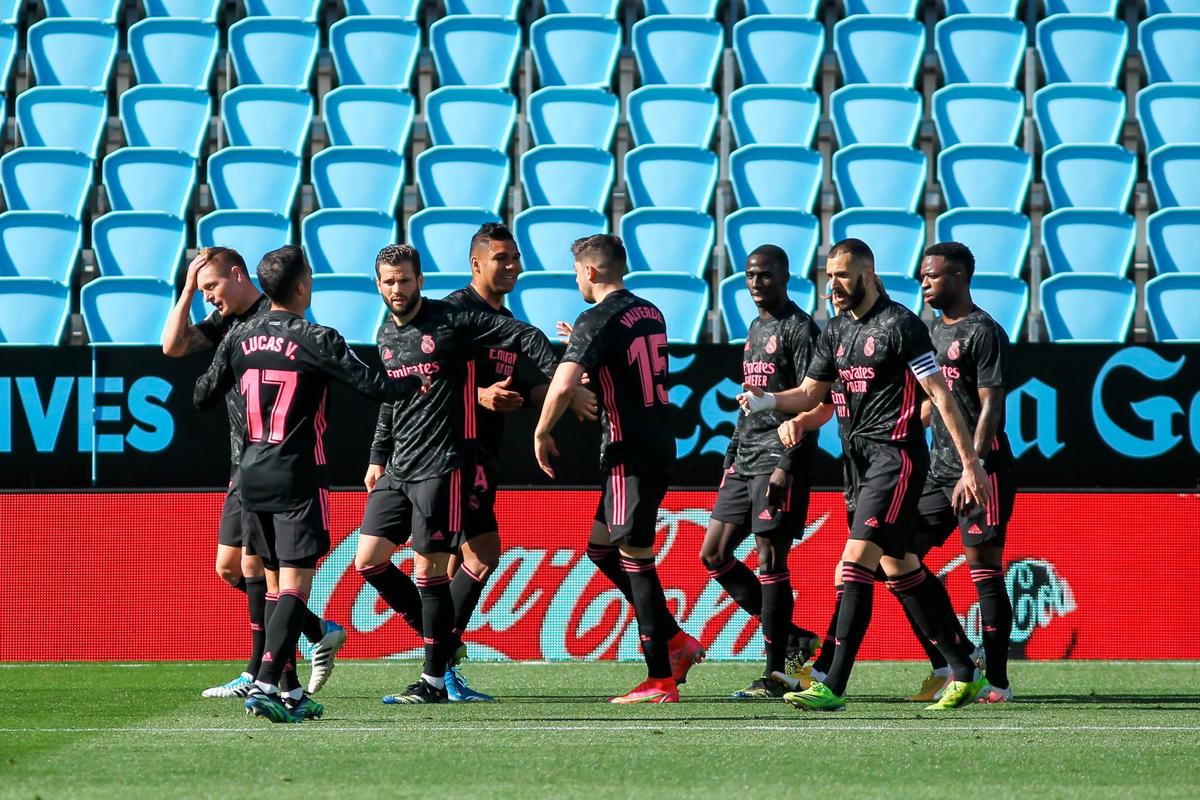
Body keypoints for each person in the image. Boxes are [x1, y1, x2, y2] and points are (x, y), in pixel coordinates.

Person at [738, 238, 993, 712]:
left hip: (894, 459)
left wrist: (971, 463)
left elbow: (938, 394)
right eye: (828, 275)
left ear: (868, 275)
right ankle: (964, 668)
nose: (832, 285)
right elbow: (813, 392)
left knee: (852, 565)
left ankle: (831, 683)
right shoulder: (834, 331)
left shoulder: (900, 325)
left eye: (841, 275)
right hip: (856, 468)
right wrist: (770, 403)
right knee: (899, 567)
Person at [194, 245, 427, 723]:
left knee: (274, 584)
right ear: (303, 287)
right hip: (297, 474)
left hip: (249, 472)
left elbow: (202, 395)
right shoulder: (316, 337)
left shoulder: (240, 337)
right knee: (295, 587)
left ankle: (293, 695)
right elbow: (374, 386)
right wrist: (415, 382)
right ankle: (263, 682)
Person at [357, 244, 562, 705]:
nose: (397, 289)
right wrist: (376, 456)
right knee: (368, 559)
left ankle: (432, 679)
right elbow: (391, 395)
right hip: (398, 465)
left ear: (419, 281)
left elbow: (524, 336)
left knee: (431, 569)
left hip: (441, 464)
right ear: (378, 284)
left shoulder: (450, 320)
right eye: (389, 281)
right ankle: (445, 641)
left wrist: (559, 377)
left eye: (404, 280)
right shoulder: (386, 331)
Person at [163, 247, 345, 700]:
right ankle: (315, 632)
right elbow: (172, 346)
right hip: (243, 462)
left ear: (239, 275)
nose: (208, 298)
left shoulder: (274, 316)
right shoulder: (224, 324)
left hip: (274, 464)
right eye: (202, 290)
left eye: (212, 287)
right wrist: (186, 288)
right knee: (232, 568)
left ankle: (270, 678)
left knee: (260, 569)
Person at [534, 234, 705, 704]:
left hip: (627, 453)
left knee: (636, 558)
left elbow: (566, 383)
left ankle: (660, 678)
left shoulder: (597, 317)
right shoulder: (648, 310)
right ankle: (675, 640)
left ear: (590, 271)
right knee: (600, 549)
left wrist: (541, 431)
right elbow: (625, 363)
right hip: (658, 441)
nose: (576, 280)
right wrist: (584, 343)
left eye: (575, 272)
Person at [439, 224, 598, 701]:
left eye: (516, 258)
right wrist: (478, 394)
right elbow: (422, 381)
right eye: (502, 258)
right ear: (476, 265)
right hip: (448, 450)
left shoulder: (504, 322)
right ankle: (438, 661)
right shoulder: (451, 314)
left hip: (480, 455)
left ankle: (440, 667)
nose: (513, 266)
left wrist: (561, 393)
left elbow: (526, 389)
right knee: (482, 553)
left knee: (457, 561)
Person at [698, 245, 823, 699]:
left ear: (786, 276)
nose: (755, 283)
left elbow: (814, 401)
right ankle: (794, 640)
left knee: (771, 561)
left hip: (779, 458)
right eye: (750, 275)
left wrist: (786, 464)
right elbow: (750, 398)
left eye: (765, 275)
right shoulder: (755, 327)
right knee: (713, 554)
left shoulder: (801, 329)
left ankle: (774, 673)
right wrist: (731, 456)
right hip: (745, 455)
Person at [911, 242, 1016, 704]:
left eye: (932, 275)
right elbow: (933, 399)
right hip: (938, 472)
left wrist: (971, 466)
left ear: (959, 277)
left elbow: (992, 405)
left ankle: (996, 682)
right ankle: (955, 657)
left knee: (984, 571)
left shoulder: (984, 330)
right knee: (897, 557)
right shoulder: (928, 331)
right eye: (922, 276)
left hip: (981, 469)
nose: (924, 283)